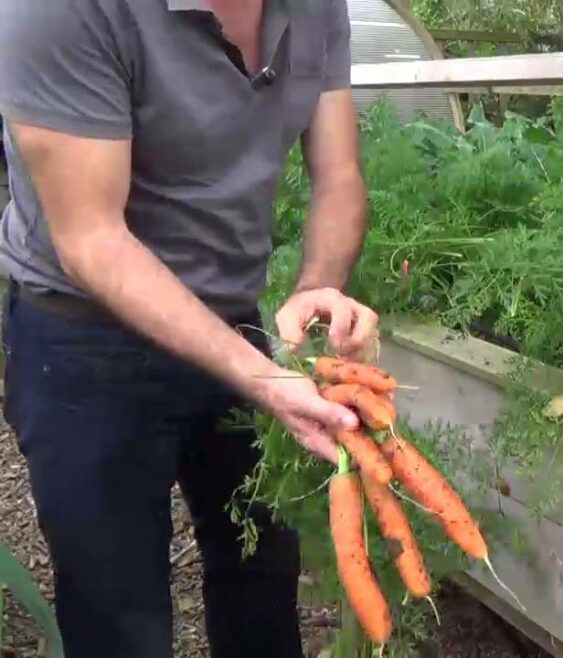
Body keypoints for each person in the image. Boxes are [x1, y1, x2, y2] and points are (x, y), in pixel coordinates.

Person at [0, 1, 377, 656]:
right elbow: (92, 240)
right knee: (118, 615)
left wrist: (319, 283)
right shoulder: (60, 10)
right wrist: (259, 373)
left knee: (263, 582)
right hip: (83, 337)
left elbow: (339, 175)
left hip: (233, 323)